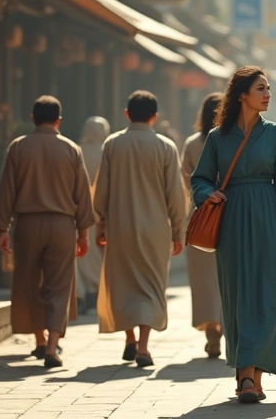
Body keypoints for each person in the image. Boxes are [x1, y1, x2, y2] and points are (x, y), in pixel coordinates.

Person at [191, 66, 276, 404]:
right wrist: (206, 194)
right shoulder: (217, 137)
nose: (268, 94)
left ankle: (254, 375)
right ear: (242, 95)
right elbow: (199, 178)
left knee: (270, 296)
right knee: (238, 296)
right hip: (232, 223)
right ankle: (245, 376)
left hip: (270, 219)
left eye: (268, 88)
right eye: (261, 89)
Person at [0, 95, 95, 368]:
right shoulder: (71, 149)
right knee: (58, 286)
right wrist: (83, 233)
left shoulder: (18, 147)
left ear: (32, 118)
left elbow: (7, 191)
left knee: (28, 283)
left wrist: (3, 227)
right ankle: (52, 346)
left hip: (27, 223)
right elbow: (82, 195)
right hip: (62, 225)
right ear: (59, 120)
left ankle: (38, 340)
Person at [93, 91, 188, 368]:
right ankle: (144, 348)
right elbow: (175, 195)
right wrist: (177, 231)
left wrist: (100, 223)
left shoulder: (113, 144)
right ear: (155, 117)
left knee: (123, 283)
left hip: (120, 226)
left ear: (126, 114)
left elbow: (102, 191)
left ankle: (130, 339)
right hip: (155, 228)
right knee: (151, 285)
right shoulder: (166, 147)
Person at [180, 92, 225, 358]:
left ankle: (212, 333)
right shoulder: (232, 140)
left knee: (203, 281)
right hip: (231, 216)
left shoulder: (193, 143)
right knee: (227, 278)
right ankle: (226, 326)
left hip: (201, 220)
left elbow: (188, 179)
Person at [75, 116, 110, 315]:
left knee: (79, 256)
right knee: (98, 256)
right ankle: (96, 292)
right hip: (101, 212)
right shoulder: (107, 152)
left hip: (78, 211)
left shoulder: (77, 150)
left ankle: (82, 294)